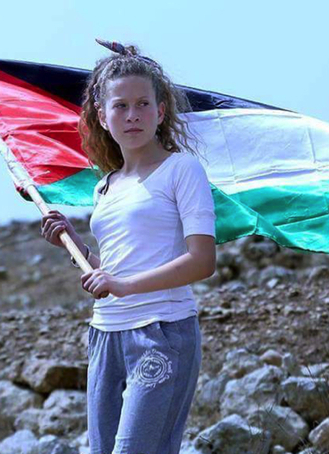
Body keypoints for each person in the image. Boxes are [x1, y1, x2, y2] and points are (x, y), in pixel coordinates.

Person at [40, 39, 217, 454]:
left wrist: (122, 286)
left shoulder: (182, 170)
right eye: (120, 106)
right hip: (105, 335)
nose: (132, 115)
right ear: (102, 116)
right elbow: (117, 268)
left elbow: (202, 261)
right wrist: (76, 247)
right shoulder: (105, 186)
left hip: (162, 332)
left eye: (143, 104)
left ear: (161, 111)